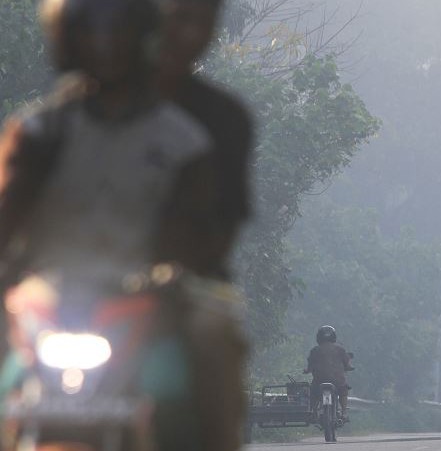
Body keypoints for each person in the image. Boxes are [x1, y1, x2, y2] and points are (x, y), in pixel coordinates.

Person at [0, 0, 216, 448]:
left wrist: (176, 274)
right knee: (7, 393)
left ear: (144, 38)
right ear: (68, 39)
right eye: (92, 29)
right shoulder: (37, 134)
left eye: (120, 29)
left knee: (192, 384)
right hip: (45, 305)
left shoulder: (181, 142)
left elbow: (196, 234)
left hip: (139, 305)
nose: (106, 42)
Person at [154, 0, 254, 449]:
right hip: (71, 293)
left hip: (179, 288)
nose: (181, 33)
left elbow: (220, 227)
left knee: (213, 336)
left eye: (196, 21)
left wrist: (174, 268)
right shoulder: (57, 122)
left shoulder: (220, 119)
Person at [305, 325, 354, 420]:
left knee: (313, 393)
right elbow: (347, 365)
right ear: (333, 336)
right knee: (343, 392)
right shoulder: (340, 349)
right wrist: (349, 367)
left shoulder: (314, 350)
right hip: (338, 381)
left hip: (319, 381)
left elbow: (309, 367)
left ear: (319, 337)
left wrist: (307, 371)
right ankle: (344, 413)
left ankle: (314, 411)